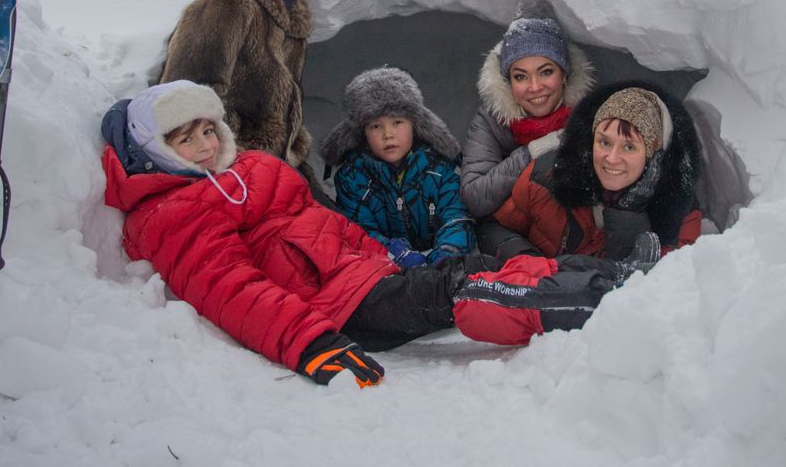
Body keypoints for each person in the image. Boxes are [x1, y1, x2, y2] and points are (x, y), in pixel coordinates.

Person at [101, 80, 661, 386]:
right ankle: (598, 298)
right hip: (339, 308)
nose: (203, 146)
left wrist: (386, 261)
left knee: (472, 271)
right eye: (184, 139)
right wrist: (309, 343)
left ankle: (607, 277)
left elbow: (334, 227)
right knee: (465, 288)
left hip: (364, 279)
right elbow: (230, 288)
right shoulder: (172, 213)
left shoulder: (251, 169)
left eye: (207, 130)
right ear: (153, 151)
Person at [156, 0, 339, 179]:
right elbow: (184, 98)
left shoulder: (291, 23)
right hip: (228, 172)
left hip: (275, 170)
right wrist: (230, 162)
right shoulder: (230, 0)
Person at [494, 81, 703, 260]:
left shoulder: (677, 213)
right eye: (604, 142)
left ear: (653, 153)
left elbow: (648, 291)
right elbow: (495, 229)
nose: (611, 158)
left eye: (629, 147)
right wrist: (529, 262)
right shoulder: (547, 176)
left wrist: (628, 216)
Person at [461, 0, 595, 260]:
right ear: (508, 82)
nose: (535, 88)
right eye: (521, 76)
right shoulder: (492, 119)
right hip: (513, 230)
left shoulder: (589, 113)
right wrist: (533, 151)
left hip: (576, 230)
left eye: (546, 72)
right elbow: (475, 196)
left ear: (565, 74)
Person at [320, 67, 474, 268]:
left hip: (442, 266)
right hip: (385, 268)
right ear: (361, 133)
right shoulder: (352, 178)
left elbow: (456, 218)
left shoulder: (439, 169)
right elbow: (359, 231)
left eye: (397, 122)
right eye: (376, 126)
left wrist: (447, 253)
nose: (388, 134)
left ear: (416, 125)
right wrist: (394, 253)